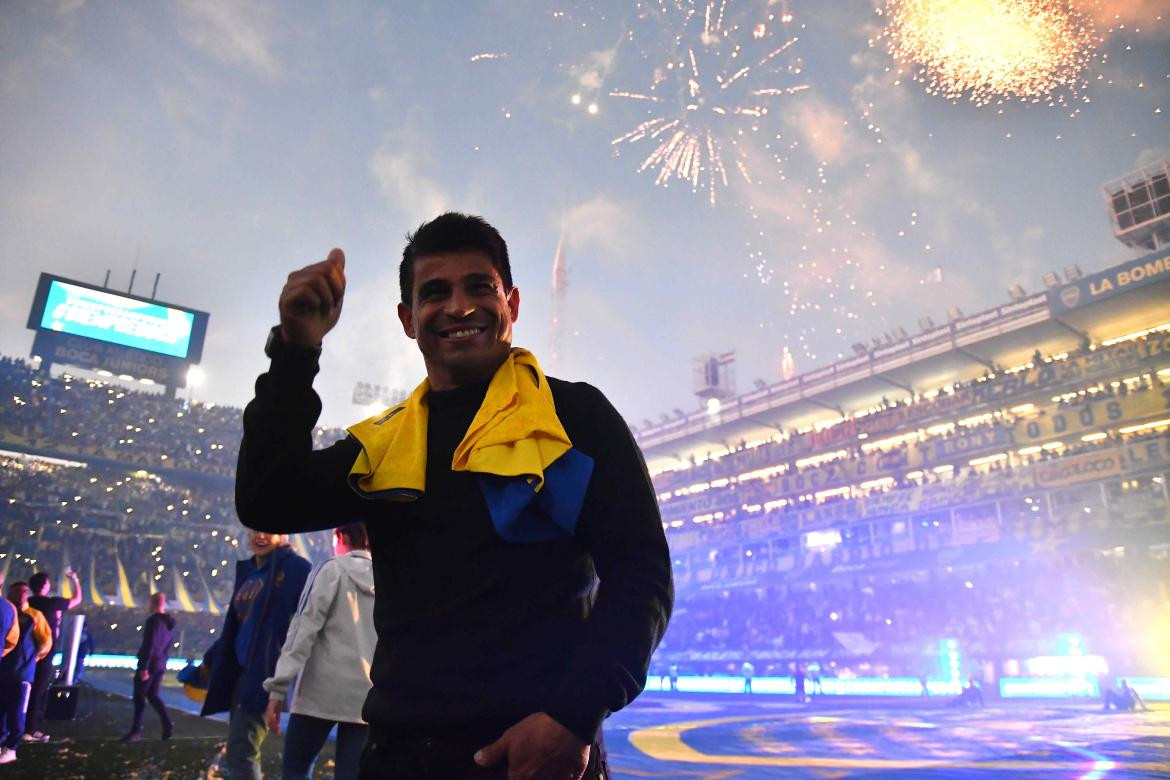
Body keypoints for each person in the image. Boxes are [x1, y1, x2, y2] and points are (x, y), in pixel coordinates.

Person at [236, 213, 674, 779]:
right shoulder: (384, 446)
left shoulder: (576, 419)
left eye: (479, 287)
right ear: (407, 319)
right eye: (435, 292)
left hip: (537, 760)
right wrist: (295, 351)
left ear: (511, 304)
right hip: (397, 757)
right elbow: (269, 500)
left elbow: (642, 573)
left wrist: (572, 715)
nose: (460, 306)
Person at [263, 523, 376, 780]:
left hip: (319, 693)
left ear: (341, 536)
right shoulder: (388, 578)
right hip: (365, 698)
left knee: (296, 769)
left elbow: (303, 630)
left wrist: (278, 688)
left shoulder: (331, 570)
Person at [200, 532, 311, 780]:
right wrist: (210, 658)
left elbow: (307, 622)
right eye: (255, 530)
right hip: (241, 672)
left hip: (265, 672)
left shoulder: (296, 569)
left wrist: (284, 674)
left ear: (282, 535)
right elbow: (239, 626)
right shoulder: (250, 571)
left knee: (242, 750)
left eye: (268, 531)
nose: (260, 537)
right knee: (240, 748)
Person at [25, 569, 81, 742]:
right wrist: (75, 580)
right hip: (45, 651)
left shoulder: (27, 603)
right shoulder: (51, 603)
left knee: (22, 687)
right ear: (45, 585)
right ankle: (31, 728)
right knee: (39, 690)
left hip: (26, 651)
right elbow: (76, 599)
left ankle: (20, 724)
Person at [0, 582, 52, 764]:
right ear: (10, 592)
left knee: (17, 712)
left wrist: (32, 658)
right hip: (4, 672)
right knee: (2, 711)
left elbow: (46, 641)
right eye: (18, 591)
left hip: (22, 674)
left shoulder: (34, 616)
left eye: (25, 591)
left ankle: (12, 747)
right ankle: (3, 743)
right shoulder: (6, 610)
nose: (22, 594)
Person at [122, 592, 176, 741]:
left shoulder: (153, 621)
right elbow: (167, 646)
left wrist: (144, 667)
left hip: (150, 663)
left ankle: (136, 731)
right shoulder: (170, 623)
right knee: (153, 695)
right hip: (159, 663)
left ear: (153, 603)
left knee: (139, 698)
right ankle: (167, 724)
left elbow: (149, 644)